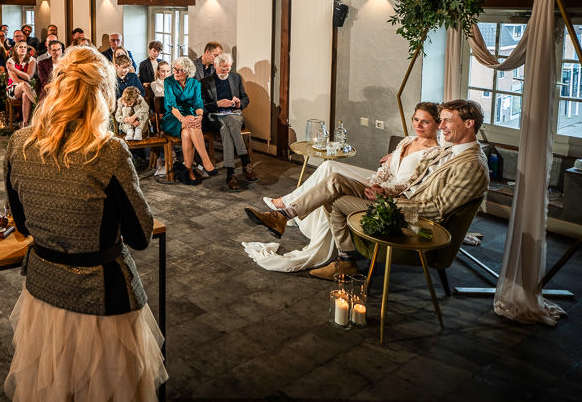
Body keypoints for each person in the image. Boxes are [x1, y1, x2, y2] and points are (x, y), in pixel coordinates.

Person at [3, 45, 165, 401]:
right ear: (102, 95)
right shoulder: (108, 152)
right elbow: (140, 236)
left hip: (43, 291)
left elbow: (24, 226)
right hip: (99, 298)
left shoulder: (19, 144)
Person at [245, 99, 489, 279]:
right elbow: (418, 183)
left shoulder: (470, 165)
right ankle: (282, 216)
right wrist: (388, 190)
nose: (442, 126)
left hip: (415, 222)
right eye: (442, 120)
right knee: (335, 180)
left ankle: (345, 261)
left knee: (338, 200)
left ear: (469, 124)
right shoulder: (453, 151)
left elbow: (436, 210)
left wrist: (389, 202)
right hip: (400, 199)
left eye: (447, 121)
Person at [202, 52, 256, 189]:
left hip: (234, 114)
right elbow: (201, 106)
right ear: (215, 65)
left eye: (228, 68)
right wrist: (218, 104)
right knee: (226, 126)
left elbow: (245, 98)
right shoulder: (205, 82)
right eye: (222, 68)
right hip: (216, 116)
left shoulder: (235, 78)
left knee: (229, 124)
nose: (225, 71)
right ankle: (246, 162)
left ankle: (230, 174)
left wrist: (239, 104)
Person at [161, 57, 217, 184]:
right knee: (191, 122)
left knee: (187, 133)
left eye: (178, 70)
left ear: (186, 72)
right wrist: (182, 119)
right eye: (174, 68)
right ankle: (206, 161)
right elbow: (171, 105)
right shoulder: (168, 82)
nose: (174, 71)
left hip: (190, 117)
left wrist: (200, 117)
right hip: (173, 117)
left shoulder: (195, 83)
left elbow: (198, 103)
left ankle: (188, 170)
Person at [6, 40, 36, 126]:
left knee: (25, 95)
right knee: (23, 84)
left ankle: (25, 123)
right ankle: (38, 105)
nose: (23, 49)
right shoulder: (10, 61)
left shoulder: (32, 60)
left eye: (25, 47)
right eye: (20, 47)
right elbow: (15, 80)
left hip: (27, 89)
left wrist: (15, 69)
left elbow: (29, 76)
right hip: (13, 88)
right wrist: (25, 80)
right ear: (16, 49)